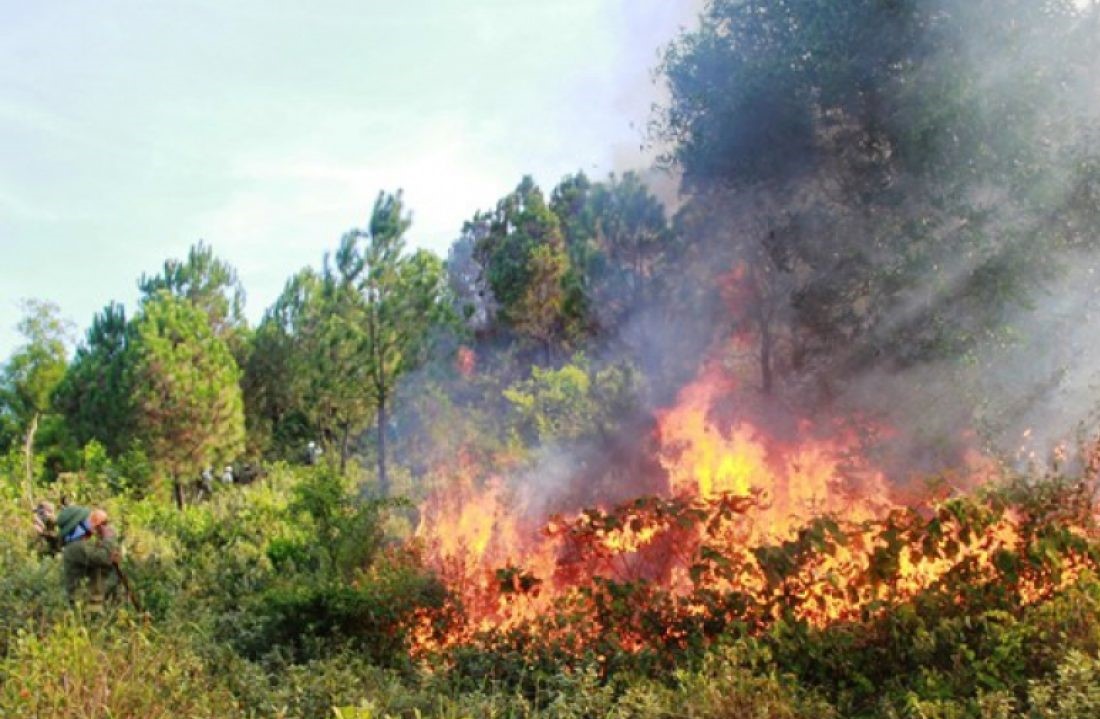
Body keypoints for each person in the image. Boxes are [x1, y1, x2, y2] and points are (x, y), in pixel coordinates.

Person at [57, 505, 120, 612]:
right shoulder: (76, 547)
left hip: (89, 605)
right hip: (84, 608)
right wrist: (109, 538)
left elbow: (102, 563)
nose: (92, 524)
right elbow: (103, 557)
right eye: (88, 520)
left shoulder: (78, 546)